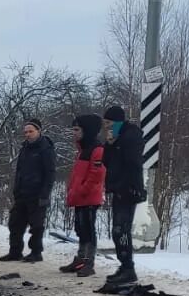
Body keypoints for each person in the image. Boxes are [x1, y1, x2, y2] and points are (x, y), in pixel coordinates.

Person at [101, 102, 146, 286]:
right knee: (117, 230)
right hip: (118, 188)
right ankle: (125, 266)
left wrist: (137, 187)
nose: (107, 128)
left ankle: (128, 268)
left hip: (128, 189)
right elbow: (106, 161)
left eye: (109, 124)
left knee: (121, 230)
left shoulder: (130, 137)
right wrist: (110, 144)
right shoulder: (116, 139)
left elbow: (134, 164)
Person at [0, 119, 57, 262]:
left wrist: (45, 193)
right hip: (22, 193)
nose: (28, 134)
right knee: (15, 223)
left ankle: (36, 252)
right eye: (25, 132)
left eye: (31, 131)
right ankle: (15, 251)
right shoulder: (24, 148)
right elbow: (19, 170)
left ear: (39, 131)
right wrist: (16, 189)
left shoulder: (45, 149)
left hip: (37, 194)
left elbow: (50, 173)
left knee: (36, 225)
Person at [61, 113, 105, 276]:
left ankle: (89, 262)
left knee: (89, 229)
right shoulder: (82, 150)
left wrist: (82, 190)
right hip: (80, 197)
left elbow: (96, 175)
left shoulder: (97, 149)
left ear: (87, 130)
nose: (74, 133)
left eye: (77, 129)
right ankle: (80, 259)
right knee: (80, 229)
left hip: (89, 197)